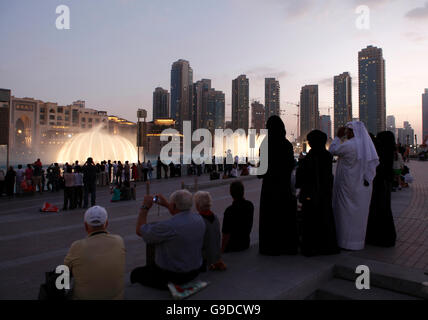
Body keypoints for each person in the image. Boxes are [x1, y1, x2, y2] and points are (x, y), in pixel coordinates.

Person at [130, 190, 205, 289]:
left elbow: (140, 230)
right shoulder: (199, 219)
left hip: (173, 276)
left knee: (135, 274)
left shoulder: (168, 227)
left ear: (173, 205)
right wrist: (167, 204)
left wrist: (145, 207)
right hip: (194, 270)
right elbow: (180, 215)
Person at [329, 121, 379, 251]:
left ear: (353, 132)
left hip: (347, 185)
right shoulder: (365, 146)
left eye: (348, 131)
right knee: (358, 215)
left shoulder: (349, 145)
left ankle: (344, 241)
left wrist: (337, 137)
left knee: (345, 213)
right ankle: (357, 242)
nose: (347, 133)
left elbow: (332, 150)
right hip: (361, 186)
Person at [64, 206, 126, 299]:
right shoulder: (119, 240)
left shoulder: (77, 246)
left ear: (85, 225)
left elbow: (64, 271)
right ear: (106, 223)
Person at [295, 130, 339, 256]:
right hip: (324, 195)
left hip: (311, 195)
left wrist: (301, 162)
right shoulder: (327, 156)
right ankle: (326, 246)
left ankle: (311, 247)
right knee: (325, 219)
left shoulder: (310, 157)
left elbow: (302, 178)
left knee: (310, 222)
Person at [258, 115, 298, 255]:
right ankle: (285, 246)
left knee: (270, 218)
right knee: (284, 217)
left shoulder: (265, 144)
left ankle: (270, 247)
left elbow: (260, 171)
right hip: (284, 187)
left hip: (269, 187)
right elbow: (291, 164)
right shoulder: (287, 145)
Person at [366, 131, 397, 247]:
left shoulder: (380, 151)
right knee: (385, 209)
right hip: (386, 183)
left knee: (378, 209)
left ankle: (379, 237)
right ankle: (387, 237)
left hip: (380, 183)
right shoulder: (389, 150)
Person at [194, 191, 226, 271]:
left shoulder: (198, 220)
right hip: (216, 255)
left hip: (205, 260)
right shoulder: (215, 217)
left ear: (198, 205)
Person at [222, 181, 254, 253]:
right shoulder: (250, 205)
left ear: (231, 193)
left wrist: (222, 250)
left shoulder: (229, 211)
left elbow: (226, 234)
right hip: (246, 243)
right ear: (243, 191)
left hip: (232, 247)